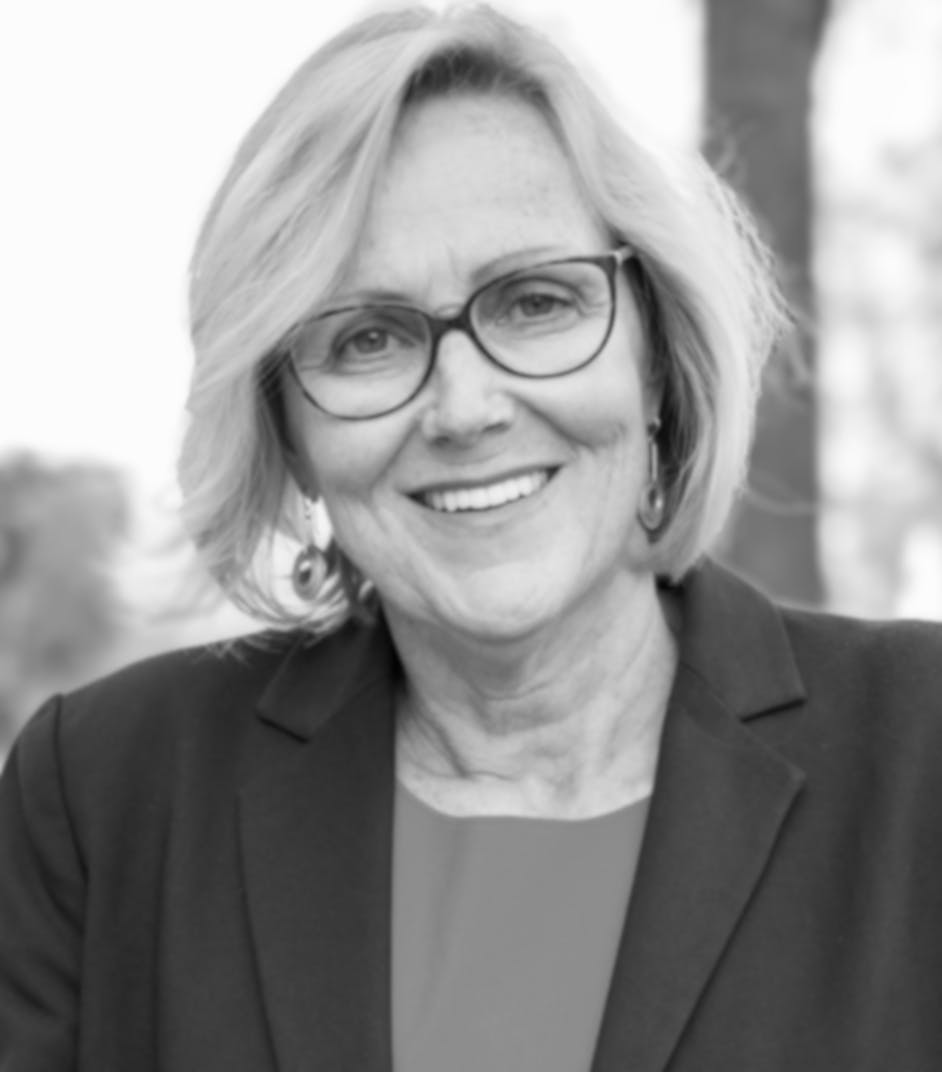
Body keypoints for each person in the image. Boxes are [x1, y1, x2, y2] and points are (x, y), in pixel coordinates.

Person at [1, 5, 941, 1070]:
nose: (464, 407)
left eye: (535, 302)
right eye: (367, 337)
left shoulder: (922, 749)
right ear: (288, 432)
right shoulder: (105, 794)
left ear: (657, 363)